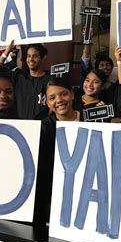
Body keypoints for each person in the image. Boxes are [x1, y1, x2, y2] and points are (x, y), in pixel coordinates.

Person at [35, 77, 82, 225]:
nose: (59, 100)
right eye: (52, 97)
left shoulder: (94, 120)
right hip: (56, 199)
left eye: (63, 94)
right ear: (47, 102)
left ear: (72, 94)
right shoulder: (43, 128)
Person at [0, 40, 50, 119]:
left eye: (35, 56)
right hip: (18, 128)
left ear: (43, 58)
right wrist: (7, 51)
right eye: (28, 56)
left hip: (40, 128)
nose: (31, 59)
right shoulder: (18, 76)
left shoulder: (50, 81)